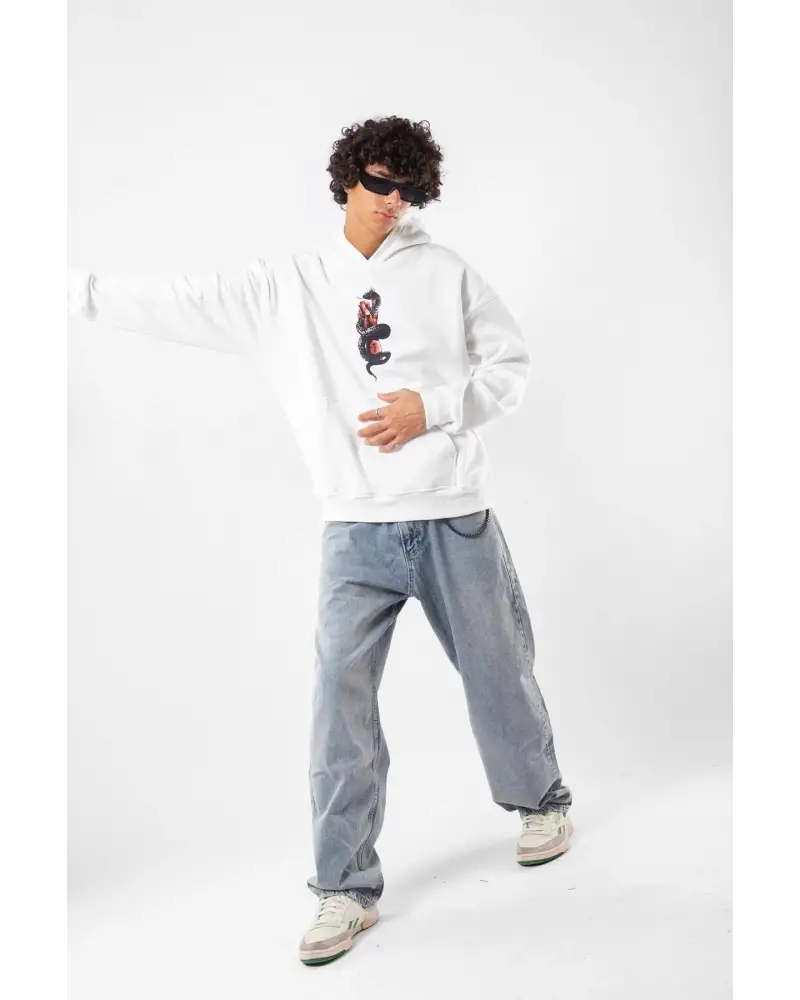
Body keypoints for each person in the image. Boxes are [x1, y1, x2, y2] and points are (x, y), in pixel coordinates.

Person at [65, 115, 574, 966]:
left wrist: (431, 408)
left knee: (497, 672)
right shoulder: (287, 288)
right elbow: (179, 300)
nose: (393, 202)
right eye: (379, 183)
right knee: (339, 702)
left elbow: (510, 368)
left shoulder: (447, 272)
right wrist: (67, 290)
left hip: (452, 512)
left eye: (408, 190)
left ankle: (542, 802)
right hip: (355, 531)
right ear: (347, 180)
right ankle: (345, 886)